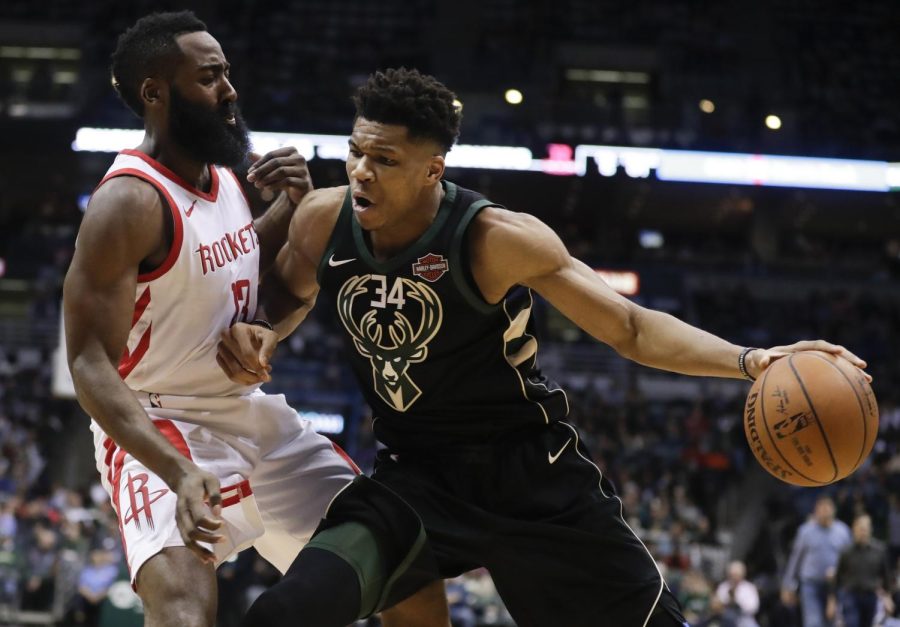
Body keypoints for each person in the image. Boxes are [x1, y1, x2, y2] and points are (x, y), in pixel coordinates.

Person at [219, 67, 870, 627]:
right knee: (281, 613)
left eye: (385, 160)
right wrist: (265, 329)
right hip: (418, 479)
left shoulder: (495, 238)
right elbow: (285, 294)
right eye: (358, 150)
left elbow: (632, 328)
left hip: (534, 479)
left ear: (432, 170)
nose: (361, 170)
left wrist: (752, 360)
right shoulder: (322, 219)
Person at [64, 14, 447, 627]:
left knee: (405, 570)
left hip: (247, 410)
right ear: (155, 92)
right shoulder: (127, 203)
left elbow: (229, 266)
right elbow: (87, 365)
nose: (230, 90)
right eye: (210, 77)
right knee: (185, 612)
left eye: (227, 73)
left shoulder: (222, 179)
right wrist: (177, 471)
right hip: (160, 421)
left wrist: (292, 209)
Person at [782, 496, 853, 627]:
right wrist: (788, 585)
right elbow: (795, 559)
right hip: (810, 584)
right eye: (821, 508)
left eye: (827, 508)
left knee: (833, 622)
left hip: (835, 584)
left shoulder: (843, 531)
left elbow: (850, 561)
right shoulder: (805, 531)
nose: (825, 511)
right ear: (815, 511)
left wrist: (844, 577)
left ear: (834, 510)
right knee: (813, 622)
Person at [828, 513, 894, 627]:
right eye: (859, 528)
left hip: (870, 596)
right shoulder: (846, 552)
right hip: (850, 595)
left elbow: (885, 577)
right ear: (854, 529)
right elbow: (837, 578)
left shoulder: (879, 551)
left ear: (870, 529)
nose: (862, 531)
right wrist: (832, 601)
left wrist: (887, 598)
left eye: (865, 528)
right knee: (852, 623)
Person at [713, 560, 760, 627]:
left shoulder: (749, 588)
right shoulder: (723, 586)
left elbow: (754, 607)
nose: (734, 578)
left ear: (742, 575)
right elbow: (717, 604)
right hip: (724, 619)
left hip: (744, 619)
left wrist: (736, 601)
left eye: (736, 575)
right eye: (731, 575)